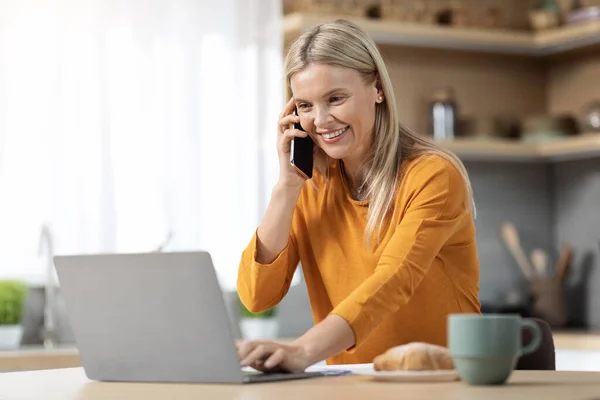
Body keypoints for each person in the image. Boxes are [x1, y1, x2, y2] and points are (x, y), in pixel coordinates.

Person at [236, 19, 480, 373]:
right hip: (351, 385)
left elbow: (392, 281)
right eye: (304, 106)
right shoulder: (310, 187)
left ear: (377, 89)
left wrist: (303, 351)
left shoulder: (433, 176)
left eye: (335, 98)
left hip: (440, 382)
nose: (320, 120)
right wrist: (286, 188)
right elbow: (257, 297)